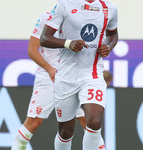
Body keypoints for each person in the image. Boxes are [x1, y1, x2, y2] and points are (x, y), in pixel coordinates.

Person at [11, 9, 105, 150]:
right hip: (49, 77)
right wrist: (50, 69)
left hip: (76, 76)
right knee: (34, 122)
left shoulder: (84, 17)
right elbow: (32, 49)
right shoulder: (47, 17)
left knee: (88, 122)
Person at [40, 0, 118, 149]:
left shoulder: (110, 8)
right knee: (65, 132)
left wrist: (109, 46)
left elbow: (113, 34)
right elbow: (44, 38)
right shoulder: (64, 5)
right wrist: (67, 43)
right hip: (66, 77)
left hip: (92, 74)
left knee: (94, 122)